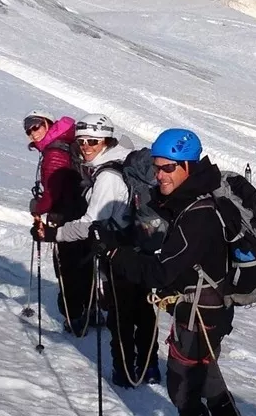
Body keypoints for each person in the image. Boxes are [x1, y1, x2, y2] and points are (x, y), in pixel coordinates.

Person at [104, 128, 240, 415]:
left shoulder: (198, 215)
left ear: (188, 166)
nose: (160, 175)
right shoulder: (190, 198)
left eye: (168, 168)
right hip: (208, 309)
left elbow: (159, 273)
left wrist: (115, 253)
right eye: (156, 168)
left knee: (183, 390)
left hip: (200, 315)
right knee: (208, 382)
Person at [56, 114, 161, 386]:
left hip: (118, 250)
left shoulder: (107, 176)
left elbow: (90, 224)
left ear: (107, 141)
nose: (85, 147)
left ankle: (123, 370)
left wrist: (56, 234)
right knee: (143, 309)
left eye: (93, 141)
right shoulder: (123, 161)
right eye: (81, 141)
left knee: (121, 313)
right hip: (142, 246)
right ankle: (149, 366)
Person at [26, 110, 90, 334]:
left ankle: (74, 317)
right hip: (80, 213)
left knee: (67, 268)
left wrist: (38, 207)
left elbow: (52, 194)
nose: (32, 132)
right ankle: (88, 310)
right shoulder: (64, 144)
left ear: (47, 123)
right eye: (28, 128)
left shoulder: (54, 153)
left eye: (35, 125)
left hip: (65, 217)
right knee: (82, 264)